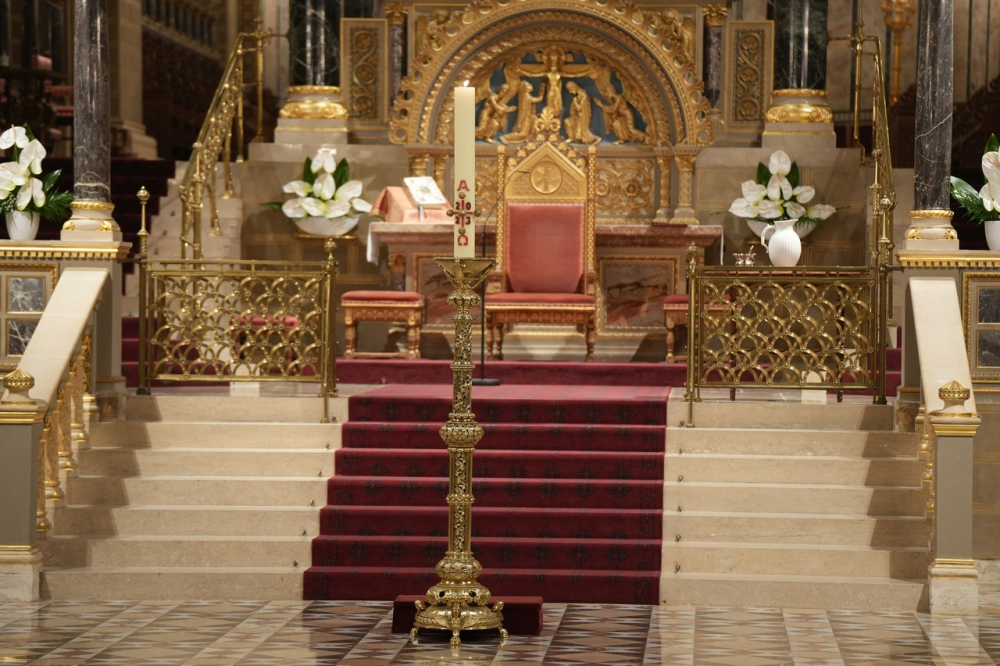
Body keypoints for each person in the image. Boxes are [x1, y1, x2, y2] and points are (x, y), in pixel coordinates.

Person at [500, 79, 545, 144]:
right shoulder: (526, 97)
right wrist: (542, 90)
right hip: (525, 118)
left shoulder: (525, 96)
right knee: (523, 134)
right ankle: (505, 137)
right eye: (528, 86)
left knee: (534, 119)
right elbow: (539, 99)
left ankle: (533, 137)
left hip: (528, 117)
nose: (531, 87)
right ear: (525, 88)